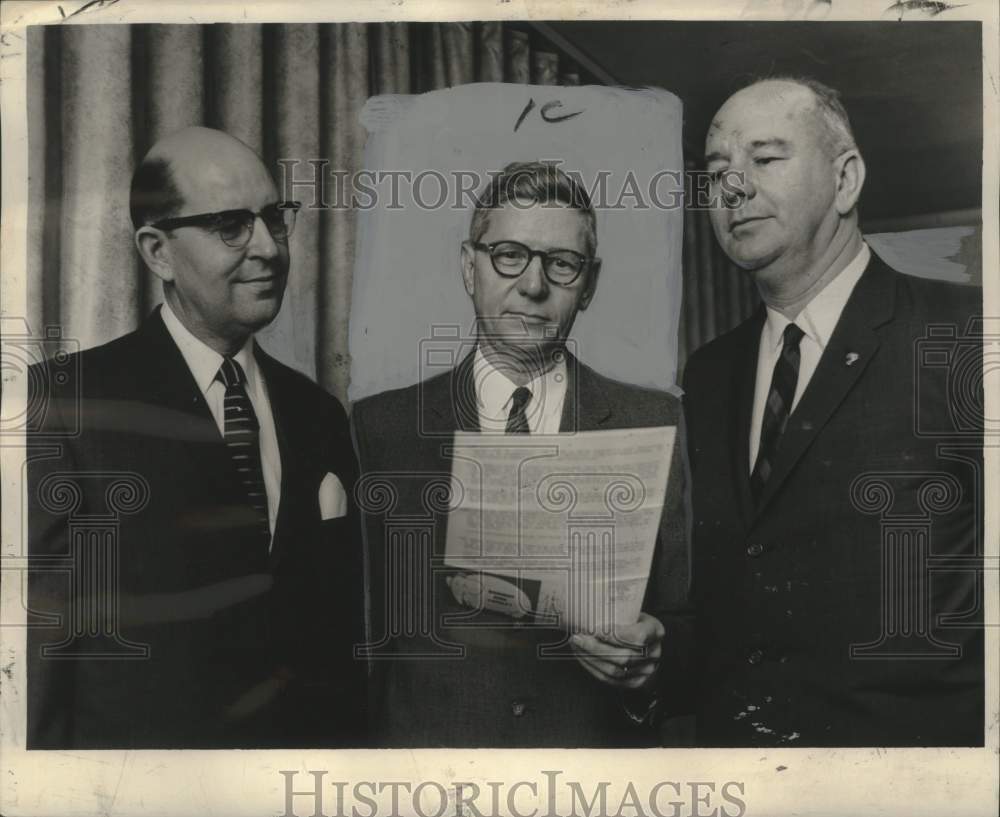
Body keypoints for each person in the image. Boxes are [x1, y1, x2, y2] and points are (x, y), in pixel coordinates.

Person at [26, 126, 365, 749]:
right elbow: (37, 658)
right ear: (158, 253)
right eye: (231, 226)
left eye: (274, 218)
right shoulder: (63, 404)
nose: (268, 247)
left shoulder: (317, 413)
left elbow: (337, 641)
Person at [683, 77, 983, 746]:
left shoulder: (967, 335)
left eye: (764, 159)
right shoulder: (707, 374)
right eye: (717, 171)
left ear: (846, 179)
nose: (733, 187)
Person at [351, 161, 692, 747]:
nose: (533, 285)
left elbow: (688, 615)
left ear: (590, 284)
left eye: (561, 263)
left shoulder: (655, 421)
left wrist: (653, 664)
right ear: (469, 266)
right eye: (508, 254)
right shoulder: (378, 428)